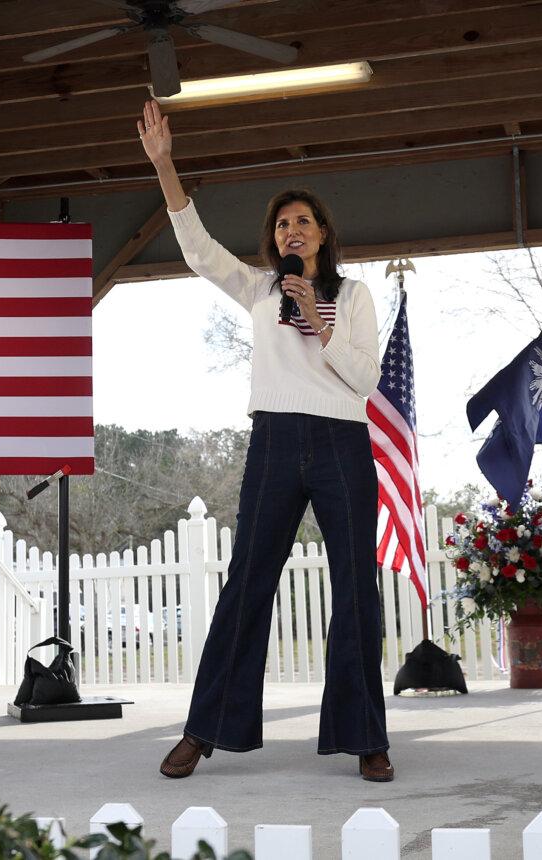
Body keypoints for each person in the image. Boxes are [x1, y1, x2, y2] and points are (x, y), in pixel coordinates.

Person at [138, 100, 395, 783]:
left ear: (322, 234)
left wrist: (317, 314)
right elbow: (196, 250)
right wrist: (165, 164)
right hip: (276, 442)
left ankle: (367, 734)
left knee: (355, 591)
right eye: (282, 223)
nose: (291, 229)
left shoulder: (356, 295)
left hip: (342, 444)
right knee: (246, 585)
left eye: (302, 221)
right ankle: (204, 730)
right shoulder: (255, 289)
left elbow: (363, 379)